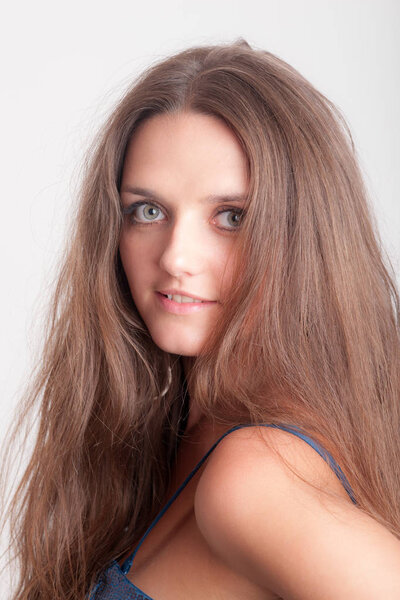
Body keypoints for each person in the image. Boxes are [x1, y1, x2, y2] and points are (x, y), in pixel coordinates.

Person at [1, 38, 400, 600]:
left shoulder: (256, 481)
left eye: (231, 216)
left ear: (308, 239)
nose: (175, 257)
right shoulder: (177, 431)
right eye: (148, 211)